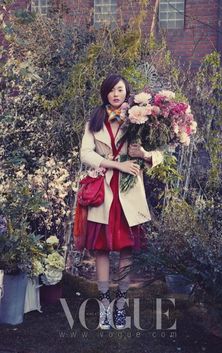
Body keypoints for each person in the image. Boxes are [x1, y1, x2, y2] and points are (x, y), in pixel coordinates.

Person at [78, 74, 159, 330]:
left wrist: (143, 154)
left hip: (129, 194)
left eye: (120, 90)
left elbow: (161, 153)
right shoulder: (94, 120)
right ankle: (104, 307)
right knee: (101, 250)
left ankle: (120, 308)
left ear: (127, 92)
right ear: (105, 93)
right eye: (111, 90)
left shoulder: (140, 120)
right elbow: (85, 153)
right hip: (103, 192)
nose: (116, 94)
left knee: (126, 250)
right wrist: (116, 164)